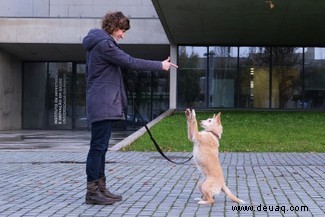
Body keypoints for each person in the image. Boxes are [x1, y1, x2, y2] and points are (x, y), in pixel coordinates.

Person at [82, 11, 177, 205]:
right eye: (121, 30)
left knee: (101, 149)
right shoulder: (104, 44)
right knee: (97, 148)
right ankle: (92, 193)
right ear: (112, 26)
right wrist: (160, 65)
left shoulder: (100, 43)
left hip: (103, 102)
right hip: (102, 102)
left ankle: (101, 188)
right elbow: (130, 62)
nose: (123, 35)